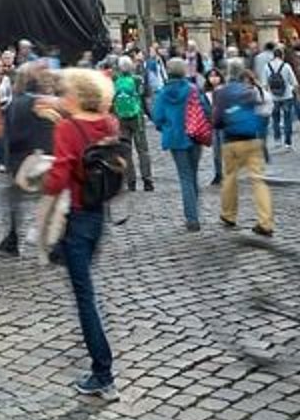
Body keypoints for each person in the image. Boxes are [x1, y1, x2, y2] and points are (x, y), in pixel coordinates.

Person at [43, 68, 121, 400]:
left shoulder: (66, 128)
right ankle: (99, 363)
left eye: (65, 92)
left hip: (76, 214)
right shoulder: (108, 122)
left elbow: (58, 178)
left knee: (85, 297)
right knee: (82, 283)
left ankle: (102, 372)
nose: (62, 96)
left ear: (75, 96)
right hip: (98, 212)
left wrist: (38, 177)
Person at [0, 62, 56, 257]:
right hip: (42, 155)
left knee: (15, 200)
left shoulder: (15, 103)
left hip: (20, 158)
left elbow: (8, 135)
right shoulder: (42, 102)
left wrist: (6, 160)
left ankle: (13, 239)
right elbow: (52, 130)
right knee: (47, 199)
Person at [211, 60, 272, 236]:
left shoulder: (222, 93)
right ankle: (265, 221)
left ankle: (229, 214)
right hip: (253, 139)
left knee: (230, 177)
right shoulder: (249, 91)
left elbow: (217, 120)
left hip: (232, 141)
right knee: (258, 181)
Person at [149, 58, 203, 231]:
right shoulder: (192, 89)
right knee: (193, 174)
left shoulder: (163, 93)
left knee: (185, 176)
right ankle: (195, 212)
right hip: (194, 134)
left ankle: (192, 217)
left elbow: (157, 116)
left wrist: (165, 127)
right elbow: (204, 110)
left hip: (175, 137)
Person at [110, 55, 155, 192]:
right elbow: (145, 98)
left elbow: (111, 100)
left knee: (126, 150)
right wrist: (150, 115)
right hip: (137, 118)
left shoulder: (115, 80)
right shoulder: (138, 80)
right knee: (143, 150)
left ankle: (131, 181)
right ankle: (147, 179)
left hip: (121, 118)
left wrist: (113, 115)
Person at [261, 47, 300, 149]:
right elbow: (294, 82)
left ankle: (277, 140)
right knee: (287, 119)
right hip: (287, 95)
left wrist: (266, 96)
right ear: (282, 55)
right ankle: (288, 142)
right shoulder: (286, 66)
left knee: (275, 119)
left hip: (273, 97)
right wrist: (297, 94)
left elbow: (264, 84)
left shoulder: (266, 67)